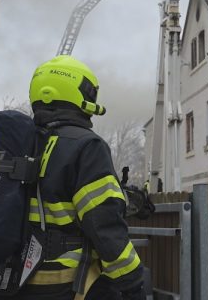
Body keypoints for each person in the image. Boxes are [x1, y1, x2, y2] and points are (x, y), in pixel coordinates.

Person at [11, 55, 144, 300]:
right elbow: (103, 223)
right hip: (65, 285)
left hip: (14, 283)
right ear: (76, 92)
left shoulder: (17, 143)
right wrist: (134, 281)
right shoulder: (87, 146)